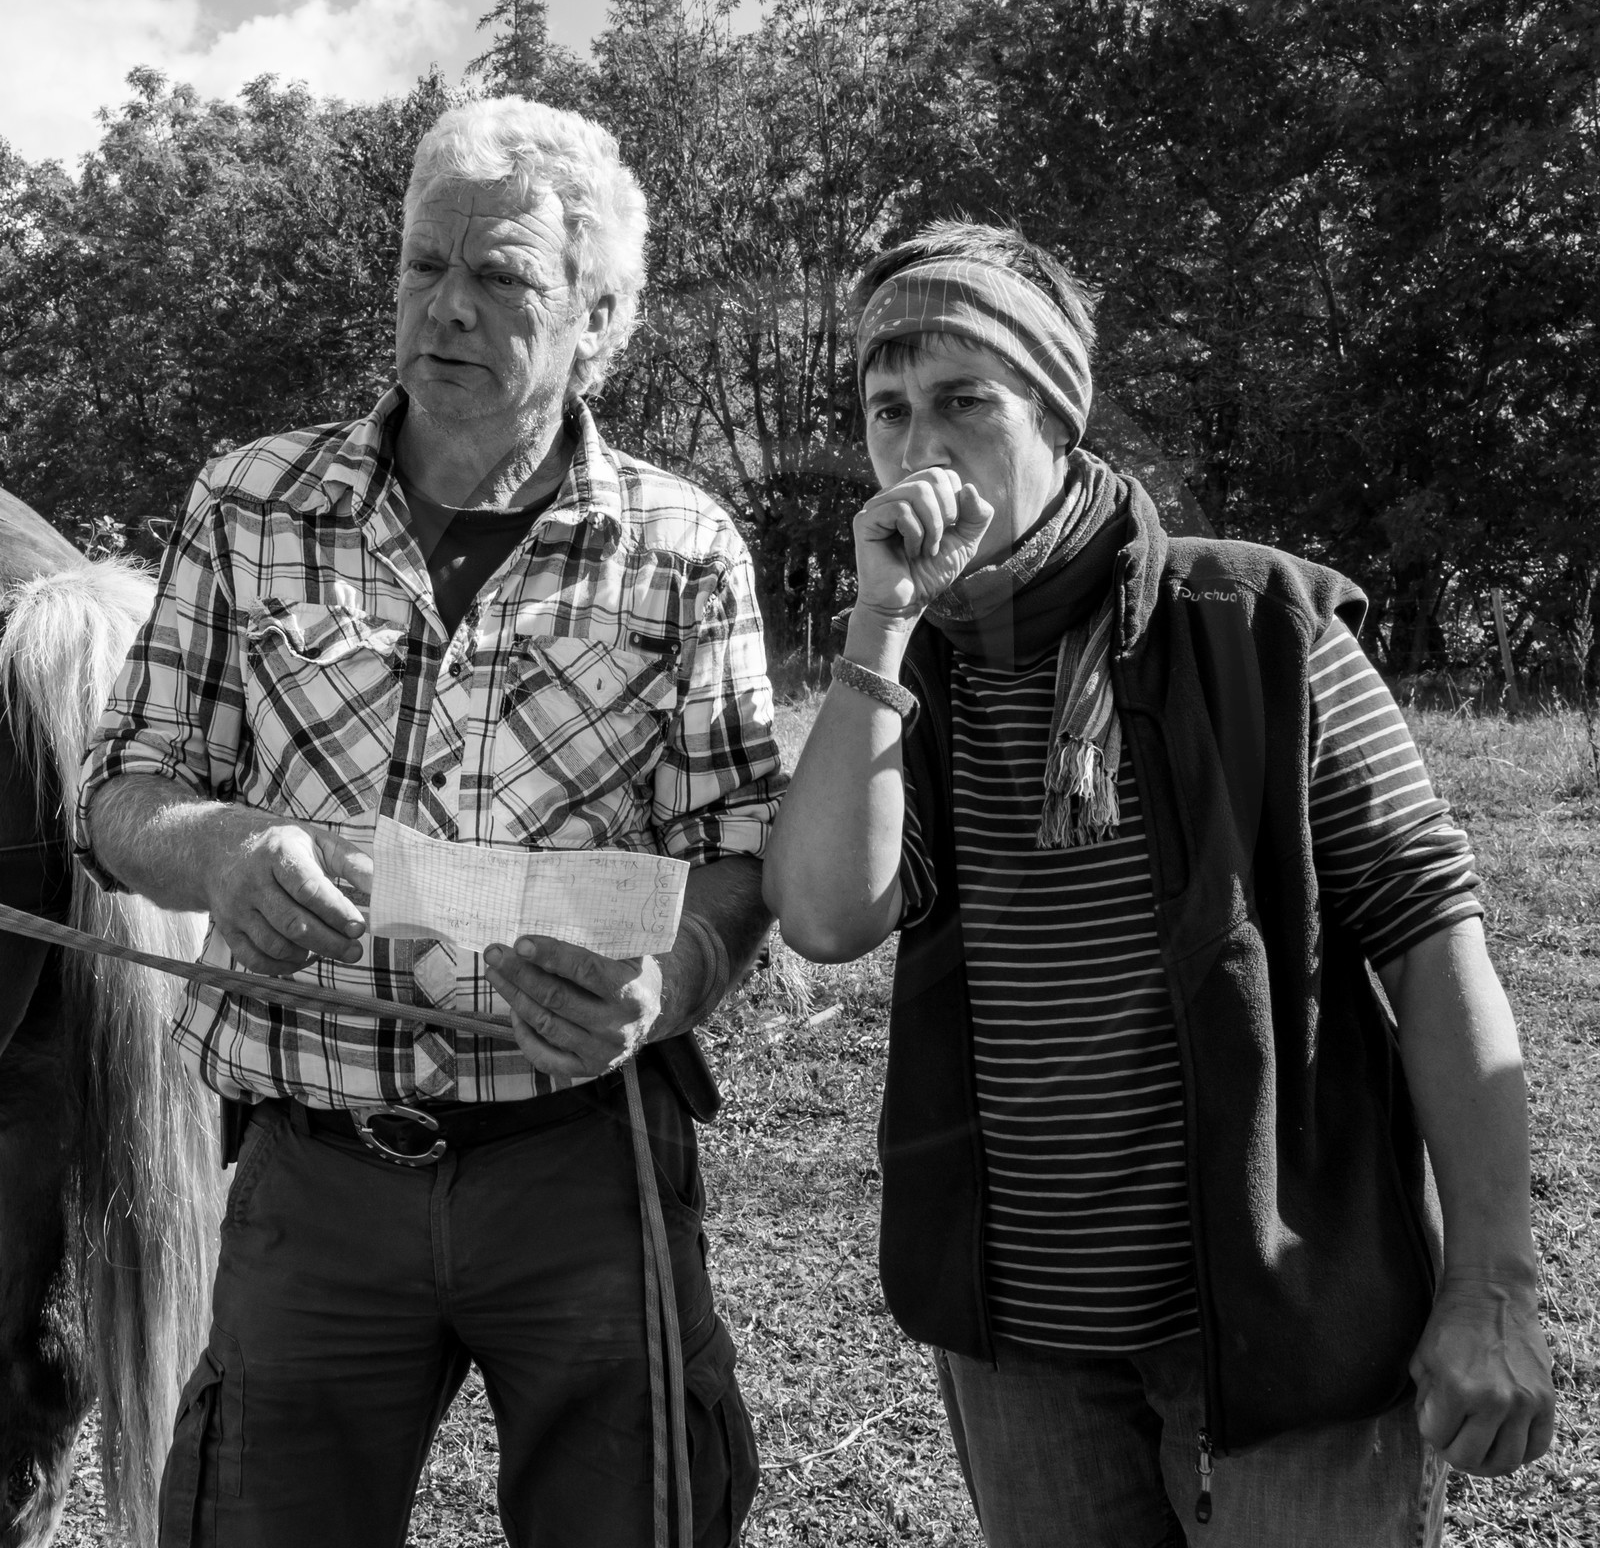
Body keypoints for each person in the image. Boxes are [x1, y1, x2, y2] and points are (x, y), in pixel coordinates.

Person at [763, 220, 1556, 1547]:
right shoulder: (915, 674)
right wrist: (880, 625)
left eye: (968, 401)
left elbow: (1433, 941)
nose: (920, 447)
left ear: (1058, 414)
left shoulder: (1257, 628)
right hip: (1023, 1336)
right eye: (888, 411)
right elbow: (829, 916)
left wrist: (1492, 1281)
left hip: (1287, 1305)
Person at [77, 98, 782, 1548]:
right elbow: (121, 788)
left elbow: (741, 857)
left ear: (604, 319)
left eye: (504, 278)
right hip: (312, 1174)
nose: (447, 309)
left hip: (586, 1167)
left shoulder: (684, 544)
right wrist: (218, 851)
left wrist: (665, 989)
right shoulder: (249, 501)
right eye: (421, 267)